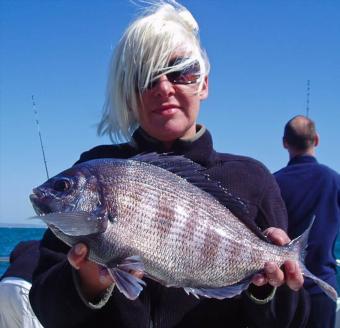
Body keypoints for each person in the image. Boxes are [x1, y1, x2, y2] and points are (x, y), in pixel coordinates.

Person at [30, 2, 310, 327]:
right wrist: (88, 281)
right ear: (129, 93)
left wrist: (267, 289)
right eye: (146, 76)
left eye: (181, 71)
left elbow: (292, 318)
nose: (164, 87)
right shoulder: (93, 166)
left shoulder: (253, 179)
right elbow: (44, 305)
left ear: (203, 83)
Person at [274, 115, 340, 328]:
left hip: (284, 288)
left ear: (285, 142)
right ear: (317, 140)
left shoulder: (274, 183)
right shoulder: (333, 180)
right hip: (323, 287)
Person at [0, 240, 43, 328]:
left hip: (4, 284)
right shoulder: (64, 249)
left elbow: (14, 256)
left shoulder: (30, 244)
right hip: (27, 289)